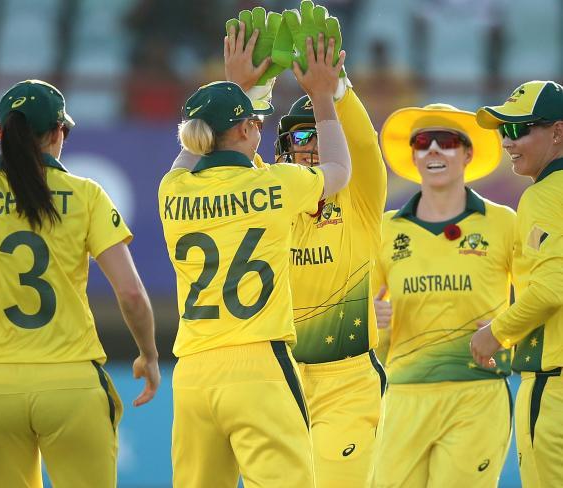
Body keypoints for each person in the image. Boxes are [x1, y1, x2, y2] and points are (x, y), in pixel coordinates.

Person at [0, 79, 160, 488]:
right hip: (70, 381)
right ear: (57, 132)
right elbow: (131, 293)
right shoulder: (86, 194)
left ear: (1, 134)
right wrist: (148, 354)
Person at [159, 32, 349, 488]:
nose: (261, 129)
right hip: (259, 362)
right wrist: (322, 97)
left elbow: (187, 157)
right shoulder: (280, 183)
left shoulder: (172, 191)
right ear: (245, 130)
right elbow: (340, 170)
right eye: (256, 123)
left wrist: (234, 90)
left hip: (192, 373)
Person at [224, 13, 387, 485]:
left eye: (318, 133)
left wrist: (331, 92)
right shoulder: (269, 194)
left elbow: (361, 143)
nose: (311, 145)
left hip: (348, 383)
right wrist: (246, 93)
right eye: (299, 137)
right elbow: (233, 164)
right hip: (278, 379)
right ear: (281, 149)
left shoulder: (359, 198)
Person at [372, 103, 516, 487]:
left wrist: (507, 333)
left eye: (447, 141)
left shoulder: (504, 223)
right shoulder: (383, 230)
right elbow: (360, 316)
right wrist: (372, 318)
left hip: (478, 394)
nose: (433, 150)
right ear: (414, 156)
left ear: (468, 153)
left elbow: (542, 295)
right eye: (423, 142)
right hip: (402, 397)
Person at [471, 80, 563, 488]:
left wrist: (496, 334)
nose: (507, 142)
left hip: (554, 386)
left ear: (558, 132)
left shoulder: (543, 195)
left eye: (518, 130)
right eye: (503, 131)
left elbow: (551, 287)